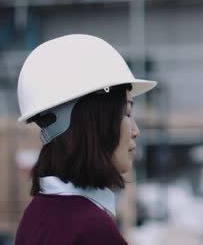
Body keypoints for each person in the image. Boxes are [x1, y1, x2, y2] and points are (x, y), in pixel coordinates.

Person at [14, 34, 156, 245]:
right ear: (92, 125)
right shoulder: (93, 230)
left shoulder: (37, 213)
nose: (135, 131)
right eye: (126, 114)